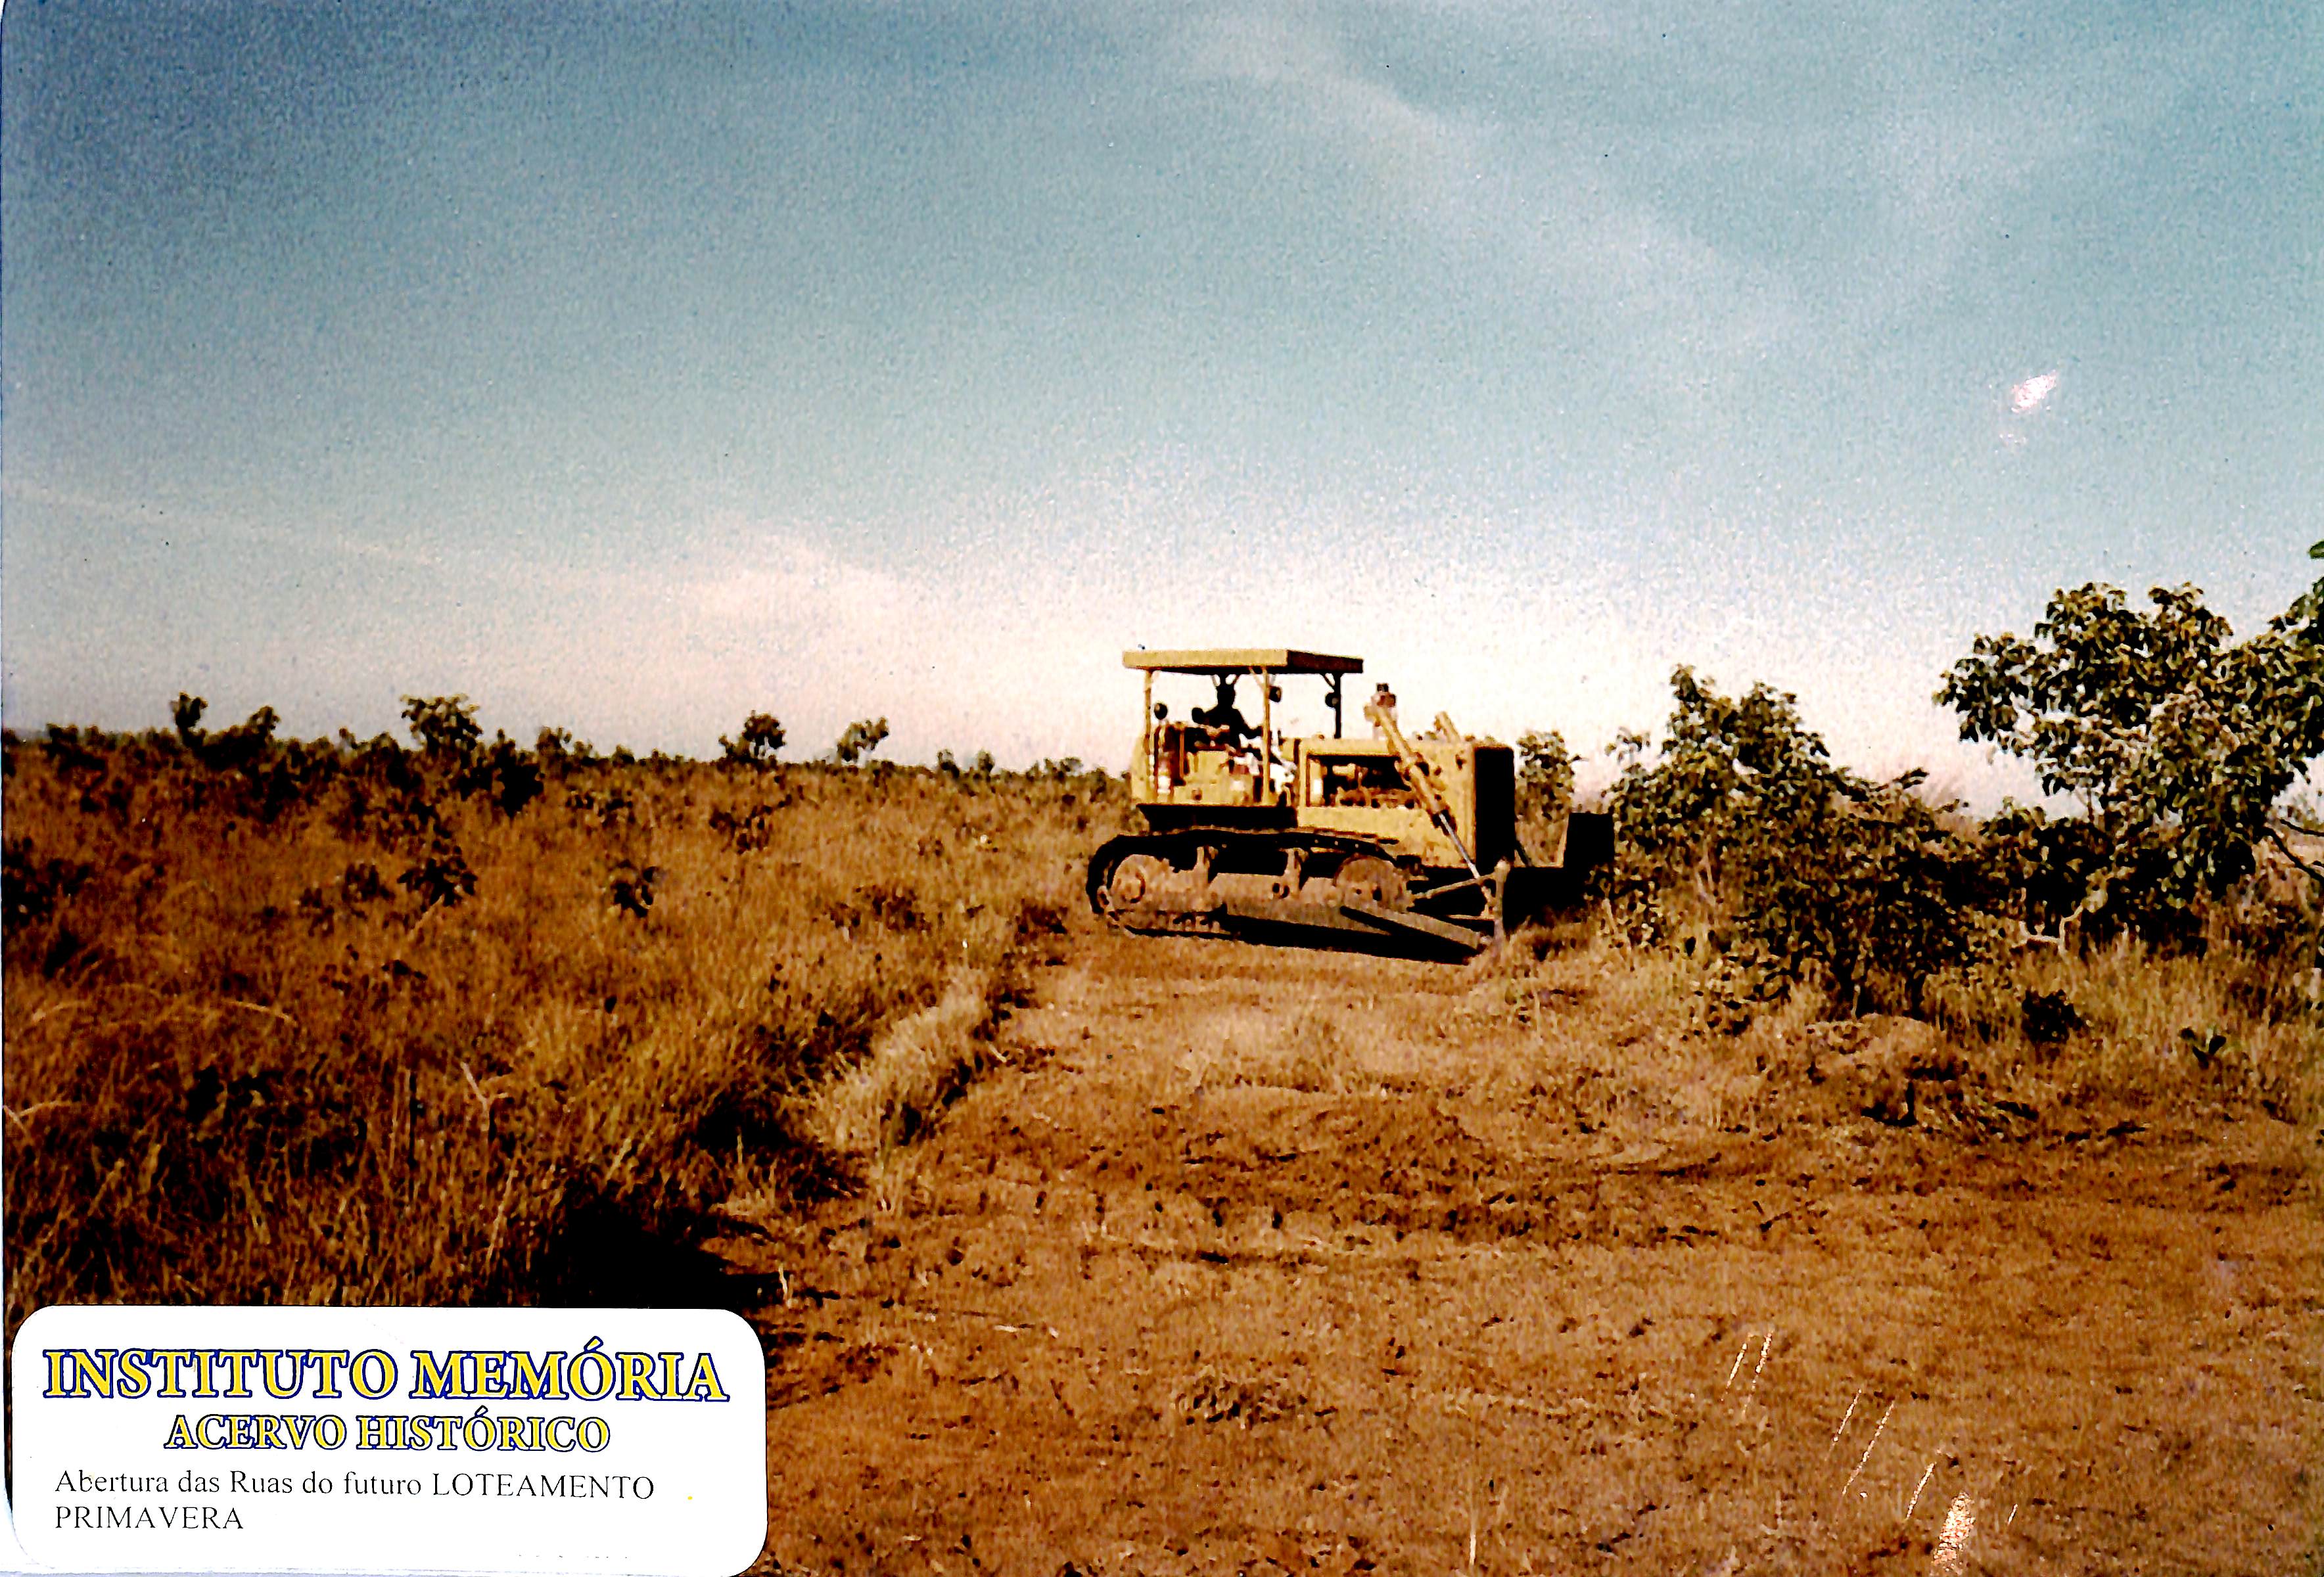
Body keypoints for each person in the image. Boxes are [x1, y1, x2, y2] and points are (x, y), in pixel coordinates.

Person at [1192, 677, 1256, 746]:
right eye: (1232, 697)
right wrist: (1260, 730)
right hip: (1230, 751)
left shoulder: (1209, 715)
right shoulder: (1235, 715)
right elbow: (1249, 734)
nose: (1233, 700)